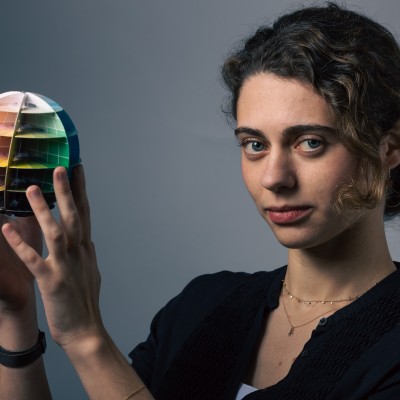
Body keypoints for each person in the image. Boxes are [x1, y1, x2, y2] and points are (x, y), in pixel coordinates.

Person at [1, 2, 400, 399]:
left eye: (310, 143)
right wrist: (16, 314)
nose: (273, 178)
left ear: (390, 148)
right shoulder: (201, 307)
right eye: (255, 144)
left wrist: (86, 338)